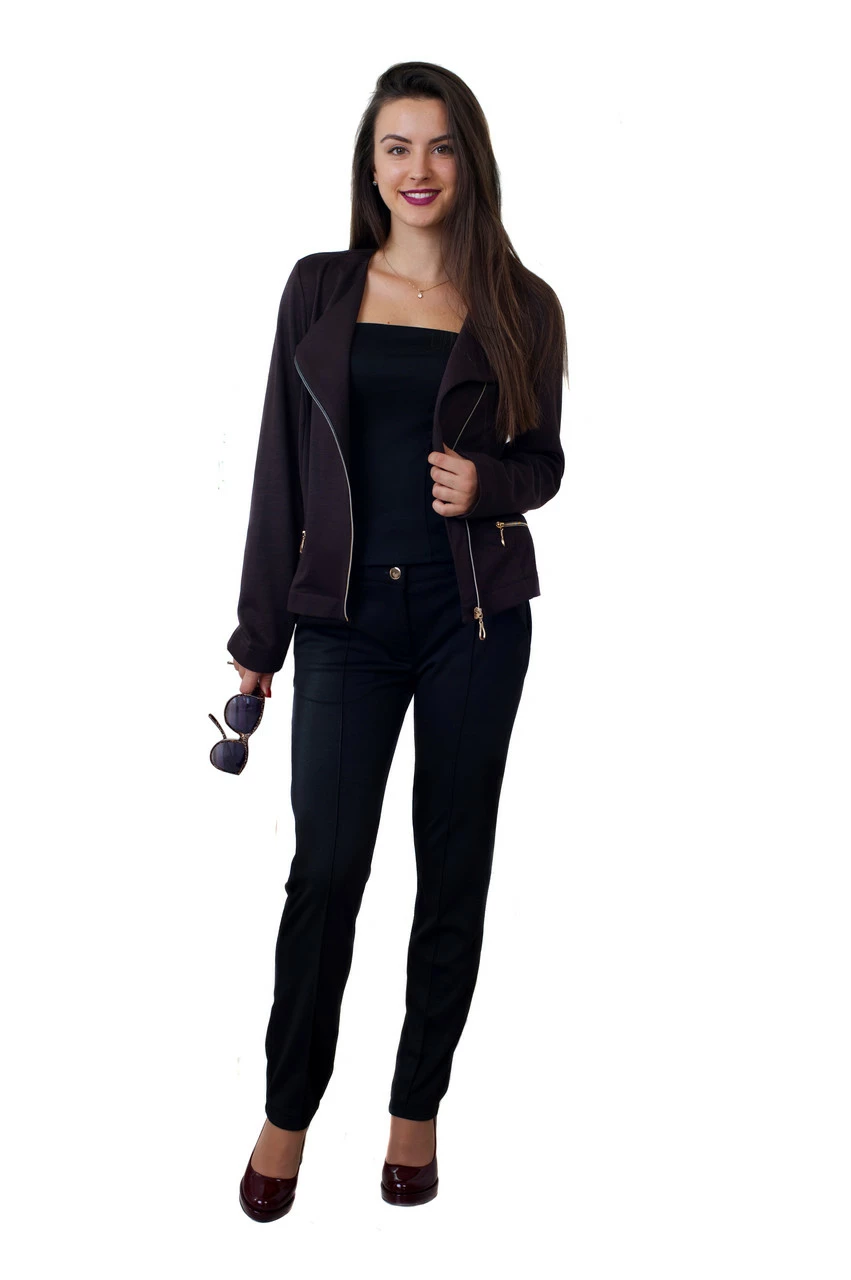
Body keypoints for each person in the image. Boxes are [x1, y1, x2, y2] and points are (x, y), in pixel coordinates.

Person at [228, 61, 568, 1219]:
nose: (418, 169)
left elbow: (542, 463)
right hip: (343, 620)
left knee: (452, 865)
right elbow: (277, 467)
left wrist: (488, 484)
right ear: (370, 166)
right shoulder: (319, 289)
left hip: (473, 620)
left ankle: (415, 1107)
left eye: (438, 146)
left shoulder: (521, 303)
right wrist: (258, 632)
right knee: (324, 869)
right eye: (396, 146)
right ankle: (286, 1110)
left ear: (468, 161)